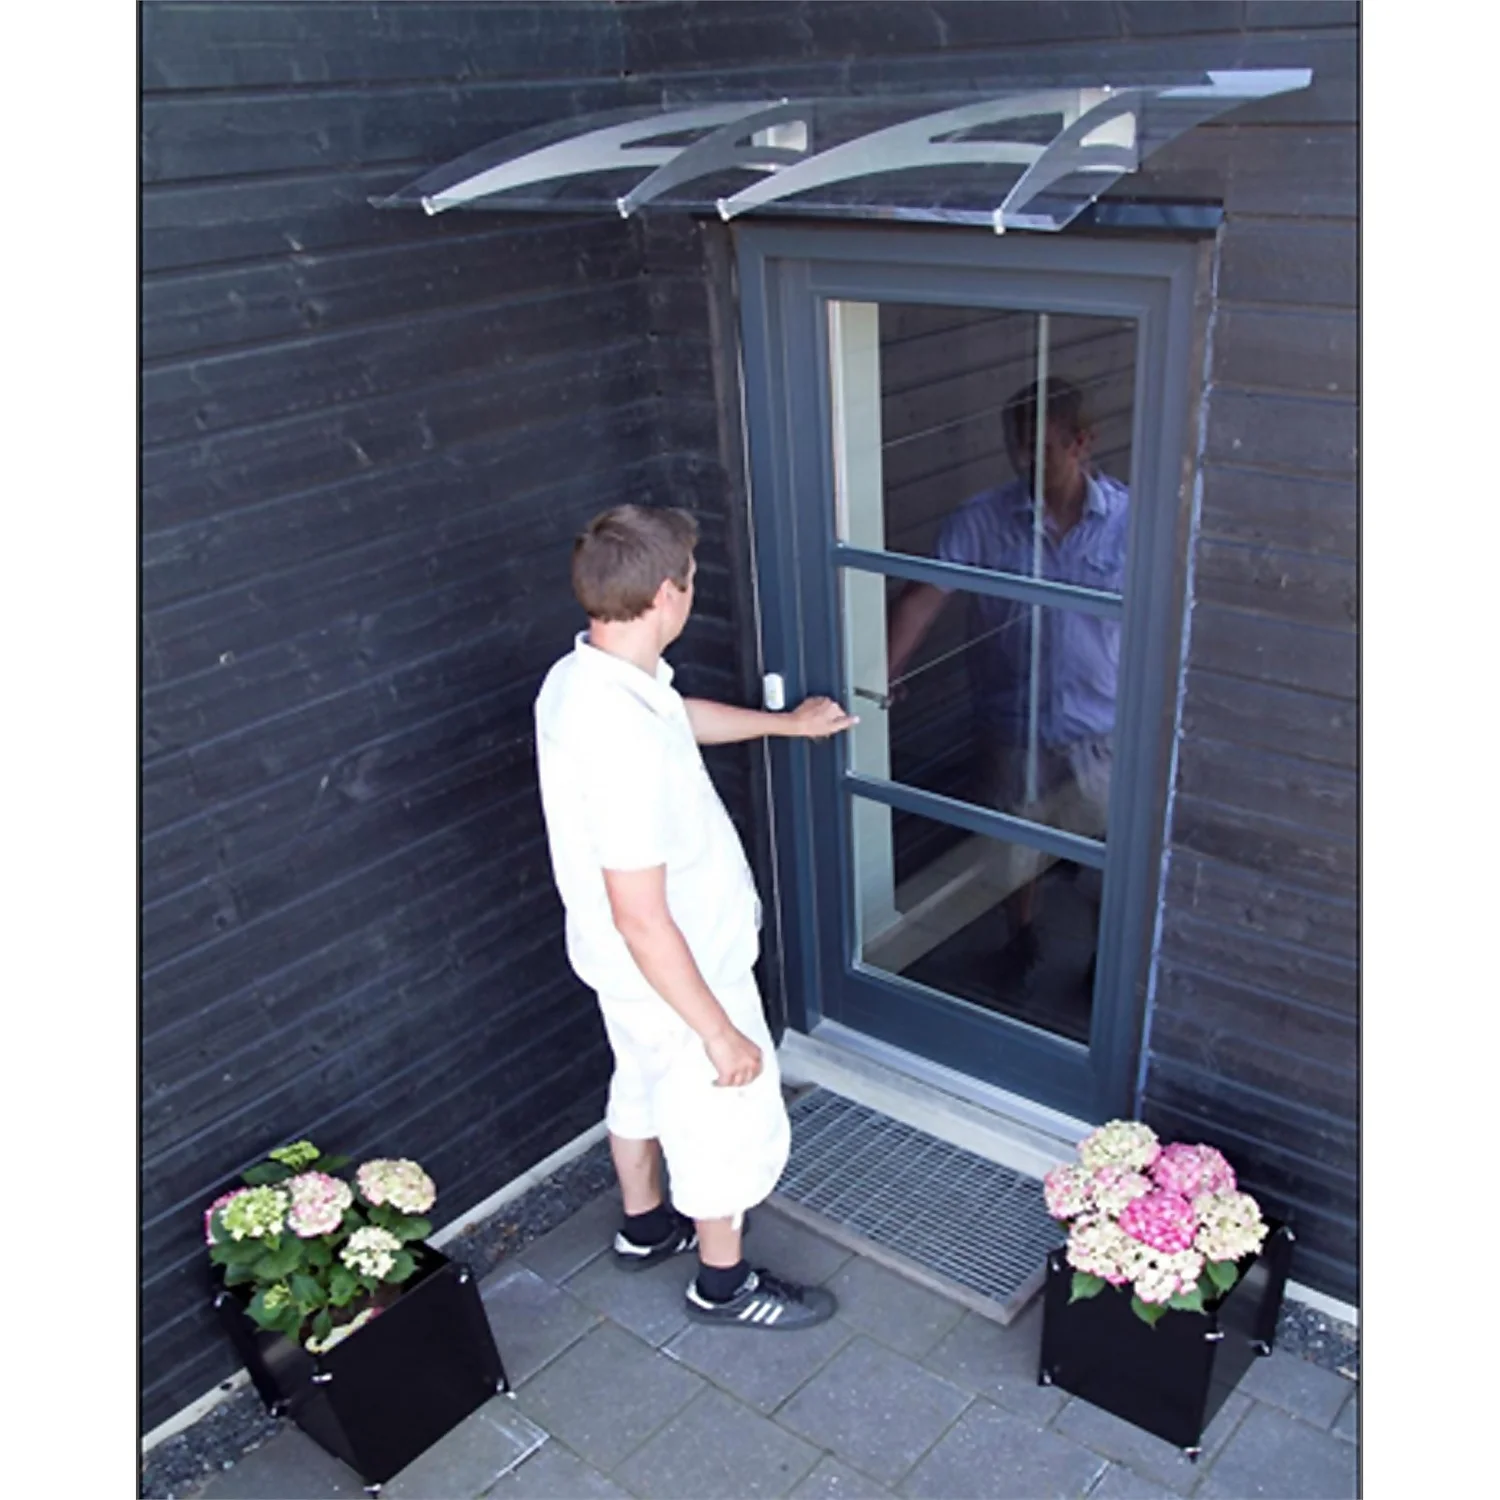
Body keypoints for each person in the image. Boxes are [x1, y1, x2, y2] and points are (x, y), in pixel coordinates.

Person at [534, 503, 856, 1330]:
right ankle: (722, 1284)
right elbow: (642, 915)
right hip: (680, 971)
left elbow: (680, 718)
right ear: (666, 597)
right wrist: (719, 1031)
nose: (692, 591)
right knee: (721, 1117)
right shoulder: (621, 740)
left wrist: (787, 727)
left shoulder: (586, 676)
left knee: (641, 1085)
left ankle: (645, 1229)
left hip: (621, 971)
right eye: (691, 580)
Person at [884, 377, 1128, 984]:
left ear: (1082, 442)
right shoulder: (982, 520)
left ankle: (1103, 962)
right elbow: (922, 598)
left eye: (1039, 449)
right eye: (1016, 447)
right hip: (1012, 723)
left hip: (1101, 730)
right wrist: (882, 674)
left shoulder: (1133, 526)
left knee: (1107, 858)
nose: (1024, 462)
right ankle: (1021, 940)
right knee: (1009, 848)